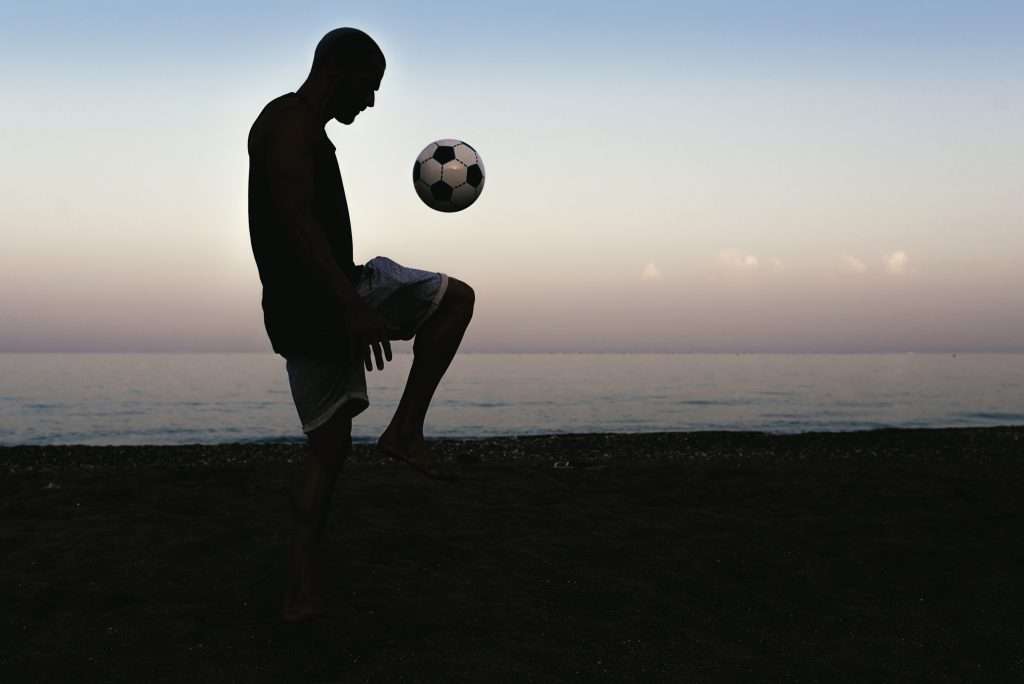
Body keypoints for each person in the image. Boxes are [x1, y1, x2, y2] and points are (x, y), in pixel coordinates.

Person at [246, 27, 476, 623]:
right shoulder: (291, 122)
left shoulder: (296, 127)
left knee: (327, 452)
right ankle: (404, 430)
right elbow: (296, 222)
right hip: (333, 297)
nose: (370, 102)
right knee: (456, 301)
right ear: (339, 70)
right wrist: (352, 308)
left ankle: (300, 593)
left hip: (297, 316)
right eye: (368, 87)